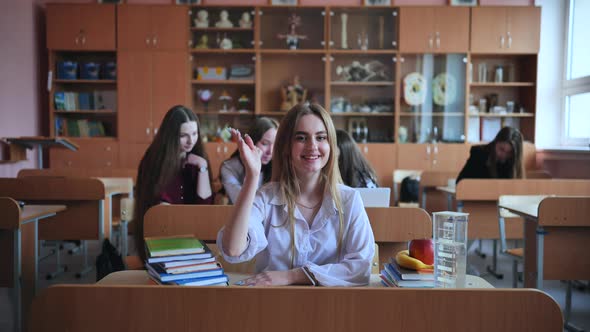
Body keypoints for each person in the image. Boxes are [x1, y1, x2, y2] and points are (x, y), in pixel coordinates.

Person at [216, 103, 375, 287]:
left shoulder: (349, 200)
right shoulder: (266, 197)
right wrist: (252, 176)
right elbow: (234, 249)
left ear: (330, 144)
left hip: (331, 308)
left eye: (321, 137)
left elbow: (360, 268)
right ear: (286, 146)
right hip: (272, 306)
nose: (312, 146)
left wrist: (292, 276)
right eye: (301, 138)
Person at [135, 105, 213, 259]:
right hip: (163, 231)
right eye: (183, 135)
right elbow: (157, 203)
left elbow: (205, 205)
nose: (191, 141)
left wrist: (202, 167)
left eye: (194, 133)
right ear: (170, 136)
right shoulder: (154, 159)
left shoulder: (198, 158)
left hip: (192, 232)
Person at [220, 117, 279, 204]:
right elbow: (246, 205)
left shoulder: (277, 166)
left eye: (275, 145)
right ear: (252, 141)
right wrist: (252, 170)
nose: (270, 152)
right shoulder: (229, 167)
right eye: (265, 143)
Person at [456, 126, 524, 183]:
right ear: (495, 143)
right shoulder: (479, 154)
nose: (504, 155)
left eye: (509, 153)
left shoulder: (512, 161)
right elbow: (460, 182)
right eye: (501, 149)